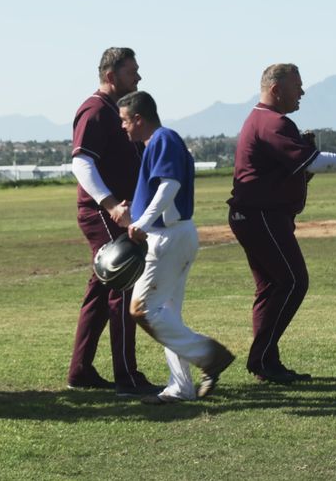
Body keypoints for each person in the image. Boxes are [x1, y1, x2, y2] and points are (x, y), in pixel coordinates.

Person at [228, 63, 336, 383]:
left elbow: (296, 169)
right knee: (292, 281)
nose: (302, 92)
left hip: (258, 216)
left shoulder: (265, 120)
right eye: (297, 86)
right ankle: (261, 358)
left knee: (272, 287)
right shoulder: (272, 122)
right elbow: (313, 161)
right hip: (260, 216)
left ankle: (267, 363)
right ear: (276, 90)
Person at [117, 91, 237, 404]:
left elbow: (170, 185)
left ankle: (209, 355)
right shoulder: (159, 142)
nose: (123, 127)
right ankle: (181, 387)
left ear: (139, 119)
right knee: (167, 314)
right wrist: (140, 215)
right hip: (175, 234)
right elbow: (164, 189)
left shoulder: (161, 139)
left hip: (168, 238)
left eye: (125, 121)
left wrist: (143, 222)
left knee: (142, 309)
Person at [68, 47, 159, 397]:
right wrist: (110, 206)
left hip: (120, 209)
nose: (137, 77)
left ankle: (80, 371)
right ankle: (127, 377)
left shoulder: (115, 110)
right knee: (124, 280)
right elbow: (82, 164)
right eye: (131, 72)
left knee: (100, 289)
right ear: (111, 76)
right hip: (105, 213)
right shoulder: (94, 111)